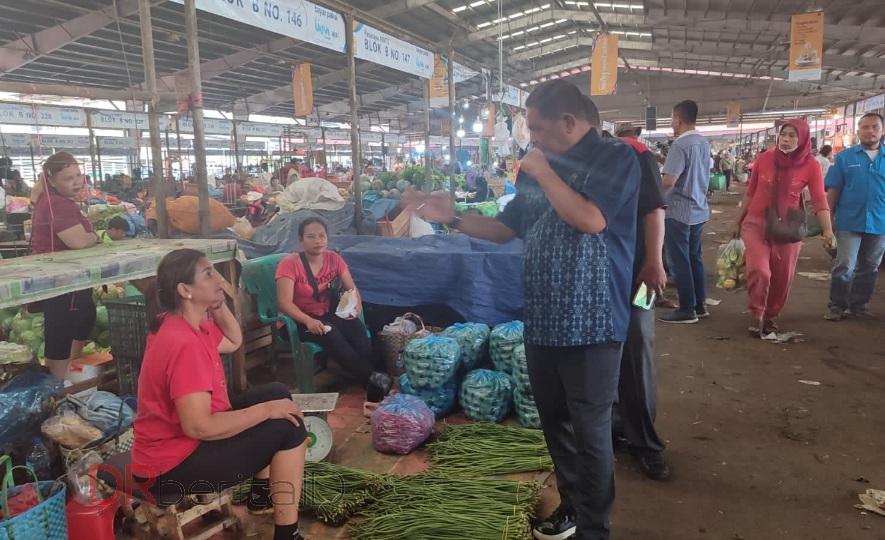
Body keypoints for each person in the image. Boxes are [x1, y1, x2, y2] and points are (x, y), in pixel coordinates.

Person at [405, 80, 640, 540]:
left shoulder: (615, 158)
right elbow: (504, 230)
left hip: (593, 322)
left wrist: (546, 171)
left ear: (568, 123)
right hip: (544, 317)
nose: (531, 138)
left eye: (536, 128)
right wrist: (450, 217)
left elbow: (592, 220)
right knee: (556, 422)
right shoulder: (536, 168)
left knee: (592, 430)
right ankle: (572, 505)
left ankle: (596, 527)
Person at [131, 249, 308, 540]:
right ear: (185, 290)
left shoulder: (182, 321)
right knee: (288, 426)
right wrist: (266, 412)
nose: (219, 280)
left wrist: (217, 304)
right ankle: (288, 534)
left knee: (277, 393)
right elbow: (199, 426)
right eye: (208, 274)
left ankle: (261, 496)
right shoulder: (183, 343)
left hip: (179, 444)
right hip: (169, 468)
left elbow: (234, 339)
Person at [608, 118, 671, 480]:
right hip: (611, 274)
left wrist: (655, 262)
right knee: (618, 351)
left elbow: (654, 210)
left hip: (641, 274)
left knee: (638, 347)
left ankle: (646, 443)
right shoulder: (589, 157)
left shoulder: (638, 156)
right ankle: (620, 426)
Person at [733, 120, 834, 335]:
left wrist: (828, 230)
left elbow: (819, 200)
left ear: (803, 139)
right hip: (756, 223)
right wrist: (738, 220)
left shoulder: (811, 165)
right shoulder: (765, 159)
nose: (786, 140)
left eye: (792, 136)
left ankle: (771, 315)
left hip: (787, 227)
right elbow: (751, 192)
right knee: (760, 271)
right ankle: (757, 312)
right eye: (783, 134)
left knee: (782, 276)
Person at [276, 218, 386, 395]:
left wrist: (355, 308)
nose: (318, 241)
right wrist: (308, 321)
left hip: (327, 314)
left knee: (356, 328)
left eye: (322, 236)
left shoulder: (334, 258)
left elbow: (352, 289)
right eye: (311, 236)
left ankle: (372, 380)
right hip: (298, 319)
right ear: (301, 240)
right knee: (331, 333)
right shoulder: (289, 264)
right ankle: (373, 379)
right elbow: (284, 303)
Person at [29, 152, 100, 379]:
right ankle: (59, 385)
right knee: (62, 327)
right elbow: (78, 241)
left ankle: (65, 376)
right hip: (61, 279)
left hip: (68, 276)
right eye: (69, 178)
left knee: (83, 316)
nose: (77, 181)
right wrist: (94, 236)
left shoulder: (57, 201)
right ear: (52, 181)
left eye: (78, 175)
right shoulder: (56, 204)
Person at [824, 112, 885, 320]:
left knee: (870, 267)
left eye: (875, 127)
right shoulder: (844, 158)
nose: (870, 131)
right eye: (865, 127)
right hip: (849, 221)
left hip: (880, 223)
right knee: (844, 265)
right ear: (858, 131)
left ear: (882, 130)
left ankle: (859, 305)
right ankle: (837, 305)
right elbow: (833, 191)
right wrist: (828, 222)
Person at [659, 100, 712, 324]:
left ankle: (686, 309)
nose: (672, 123)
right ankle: (700, 304)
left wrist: (653, 189)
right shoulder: (703, 142)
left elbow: (669, 180)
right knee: (694, 258)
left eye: (672, 118)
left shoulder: (680, 145)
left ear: (678, 119)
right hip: (699, 209)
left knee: (679, 261)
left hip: (679, 211)